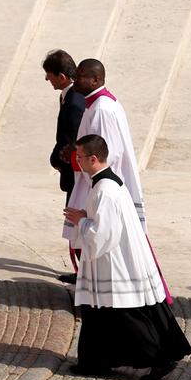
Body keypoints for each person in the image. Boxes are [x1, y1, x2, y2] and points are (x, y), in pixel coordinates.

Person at [62, 135, 191, 380]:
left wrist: (81, 221)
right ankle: (95, 361)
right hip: (117, 259)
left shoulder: (105, 190)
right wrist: (85, 217)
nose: (76, 161)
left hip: (114, 263)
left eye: (79, 157)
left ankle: (160, 359)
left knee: (123, 314)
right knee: (100, 314)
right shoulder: (105, 184)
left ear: (93, 158)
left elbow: (103, 234)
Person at [63, 59, 149, 262]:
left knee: (101, 241)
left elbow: (106, 153)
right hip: (96, 181)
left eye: (81, 75)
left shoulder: (102, 109)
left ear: (95, 79)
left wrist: (75, 158)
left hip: (102, 184)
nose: (75, 79)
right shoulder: (97, 104)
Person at [44, 49, 85, 283]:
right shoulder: (70, 97)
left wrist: (57, 161)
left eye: (49, 75)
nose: (47, 80)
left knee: (76, 222)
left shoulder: (74, 102)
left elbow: (70, 140)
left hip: (75, 172)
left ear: (61, 76)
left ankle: (83, 274)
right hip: (71, 169)